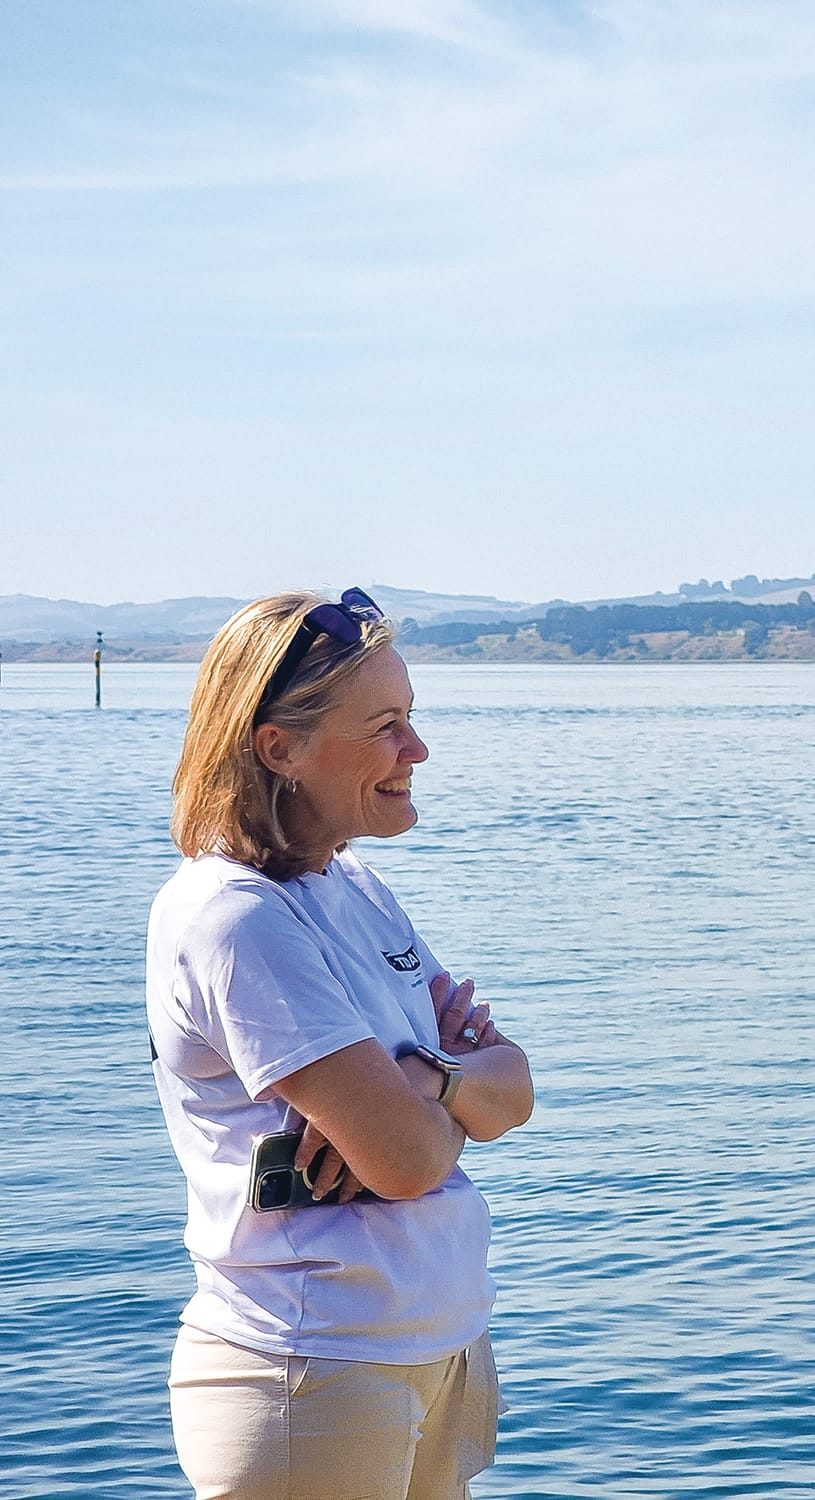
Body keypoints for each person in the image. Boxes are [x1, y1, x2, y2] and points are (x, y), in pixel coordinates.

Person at [147, 588, 535, 1500]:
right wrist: (444, 1097)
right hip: (311, 1369)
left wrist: (423, 1078)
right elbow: (403, 1160)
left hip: (429, 1347)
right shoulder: (236, 918)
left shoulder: (351, 887)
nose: (418, 751)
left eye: (413, 719)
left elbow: (513, 1090)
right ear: (280, 748)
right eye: (387, 725)